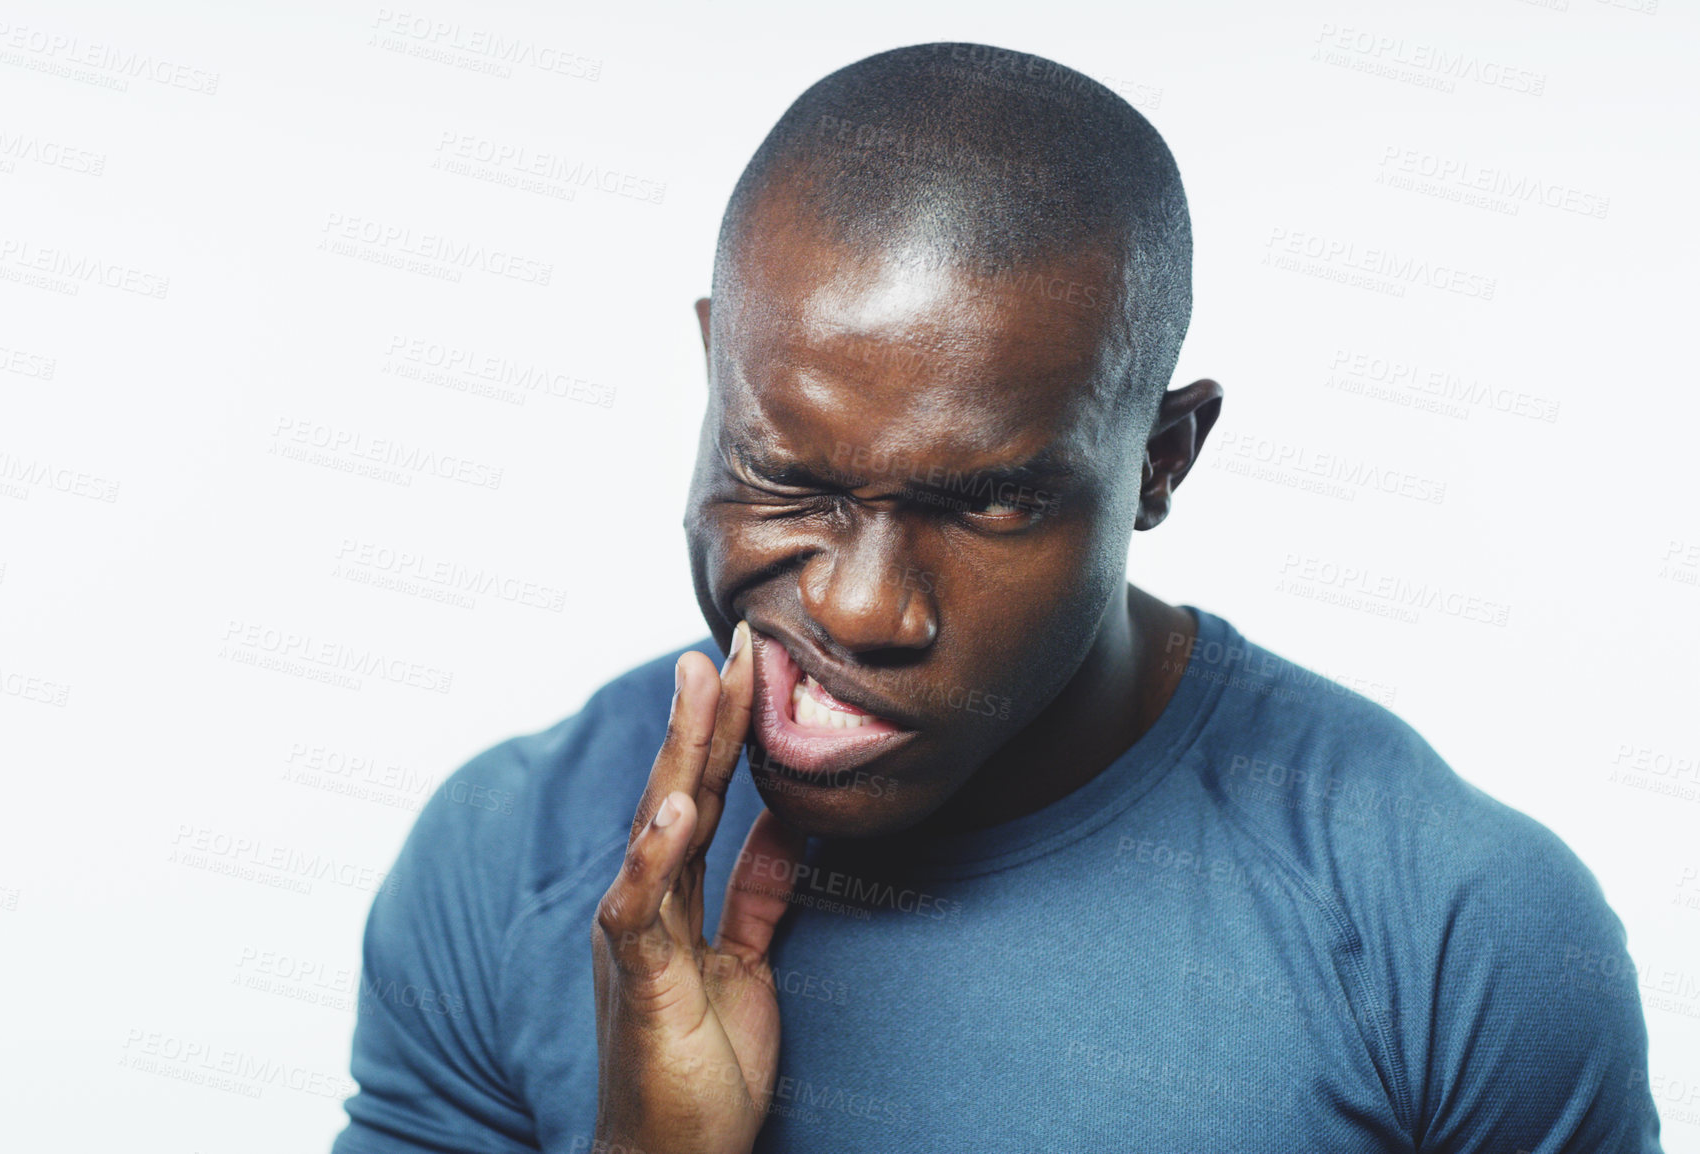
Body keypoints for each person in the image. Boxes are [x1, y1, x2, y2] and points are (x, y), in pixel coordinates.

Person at [332, 42, 1663, 1153]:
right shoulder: (509, 858)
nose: (859, 610)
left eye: (984, 503)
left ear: (1156, 461)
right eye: (785, 472)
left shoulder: (1451, 930)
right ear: (713, 372)